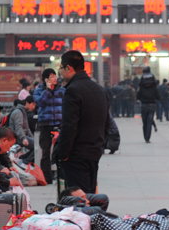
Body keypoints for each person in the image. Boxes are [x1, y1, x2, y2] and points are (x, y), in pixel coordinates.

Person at [54, 50, 111, 194]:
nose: (60, 72)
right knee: (90, 196)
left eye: (61, 68)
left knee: (79, 199)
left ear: (69, 68)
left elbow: (69, 125)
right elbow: (107, 123)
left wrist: (63, 153)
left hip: (77, 155)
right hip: (94, 152)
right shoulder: (99, 89)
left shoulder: (73, 90)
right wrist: (99, 145)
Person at [34, 68, 65, 184]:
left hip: (59, 123)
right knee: (46, 151)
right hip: (45, 124)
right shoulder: (39, 90)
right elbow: (39, 103)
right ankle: (47, 177)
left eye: (55, 76)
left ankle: (62, 176)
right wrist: (47, 90)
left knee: (61, 150)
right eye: (51, 76)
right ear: (46, 79)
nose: (54, 78)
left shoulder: (62, 90)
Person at [9, 95, 36, 165]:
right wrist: (23, 138)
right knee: (37, 146)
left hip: (21, 136)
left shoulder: (24, 112)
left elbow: (27, 128)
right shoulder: (18, 112)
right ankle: (25, 162)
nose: (34, 107)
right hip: (17, 137)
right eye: (33, 104)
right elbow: (18, 128)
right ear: (27, 103)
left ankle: (24, 159)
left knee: (37, 145)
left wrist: (33, 138)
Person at [137, 67, 160, 143]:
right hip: (152, 105)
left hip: (144, 105)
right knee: (149, 121)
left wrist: (142, 99)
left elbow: (138, 96)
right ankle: (148, 138)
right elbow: (158, 96)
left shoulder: (142, 82)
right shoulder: (153, 82)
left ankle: (145, 136)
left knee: (145, 122)